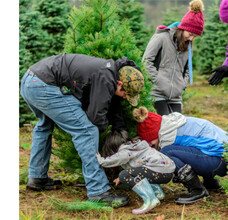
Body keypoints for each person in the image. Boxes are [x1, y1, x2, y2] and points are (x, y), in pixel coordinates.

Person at [20, 53, 145, 207]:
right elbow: (96, 117)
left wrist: (120, 129)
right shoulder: (106, 78)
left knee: (44, 126)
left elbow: (110, 104)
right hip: (45, 85)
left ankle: (37, 177)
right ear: (119, 83)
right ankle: (98, 191)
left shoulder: (109, 71)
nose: (125, 97)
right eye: (125, 93)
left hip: (31, 81)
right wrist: (105, 133)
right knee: (87, 131)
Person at [132, 107, 228, 205]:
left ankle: (198, 190)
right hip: (227, 157)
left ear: (155, 134)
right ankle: (210, 182)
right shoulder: (172, 124)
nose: (150, 145)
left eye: (150, 142)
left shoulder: (167, 137)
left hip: (220, 161)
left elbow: (163, 162)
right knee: (193, 148)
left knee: (166, 152)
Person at [142, 0, 204, 115]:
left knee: (177, 126)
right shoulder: (161, 37)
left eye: (194, 36)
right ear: (183, 28)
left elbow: (186, 70)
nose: (191, 39)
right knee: (165, 125)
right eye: (190, 34)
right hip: (157, 93)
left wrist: (182, 85)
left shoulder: (188, 46)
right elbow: (146, 61)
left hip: (175, 96)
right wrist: (157, 81)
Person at [96, 130, 175, 214]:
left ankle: (150, 199)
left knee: (124, 175)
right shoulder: (135, 146)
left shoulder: (125, 151)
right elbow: (137, 169)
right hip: (167, 171)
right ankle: (157, 193)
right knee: (140, 172)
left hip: (158, 171)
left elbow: (115, 160)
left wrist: (100, 160)